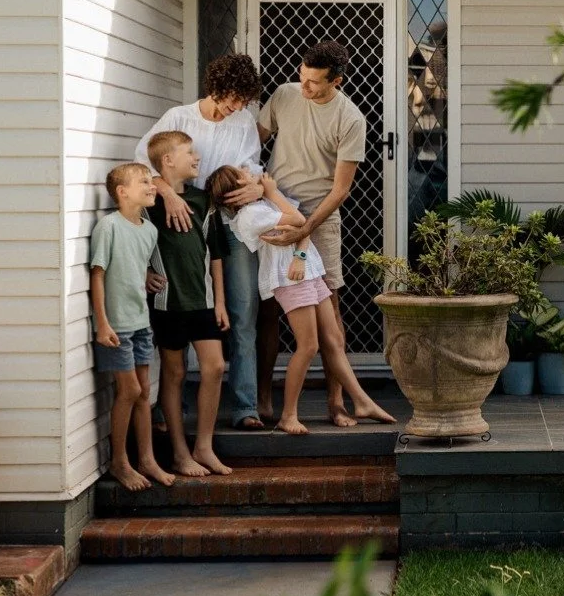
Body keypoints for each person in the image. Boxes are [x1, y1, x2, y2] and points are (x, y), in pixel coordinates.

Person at [257, 39, 395, 428]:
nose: (304, 86)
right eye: (302, 76)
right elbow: (251, 143)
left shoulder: (350, 119)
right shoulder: (284, 95)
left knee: (330, 311)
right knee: (268, 309)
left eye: (314, 82)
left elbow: (341, 190)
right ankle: (263, 399)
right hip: (275, 214)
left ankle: (336, 403)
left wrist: (306, 228)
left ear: (336, 81)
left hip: (320, 219)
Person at [207, 165, 390, 436]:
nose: (250, 171)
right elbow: (298, 218)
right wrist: (271, 191)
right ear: (236, 192)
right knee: (308, 345)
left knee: (333, 340)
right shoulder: (249, 216)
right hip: (290, 279)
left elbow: (304, 227)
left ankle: (362, 402)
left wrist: (301, 254)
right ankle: (288, 415)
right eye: (243, 174)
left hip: (309, 270)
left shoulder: (264, 204)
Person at [136, 54, 265, 429]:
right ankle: (172, 408)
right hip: (185, 223)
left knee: (242, 313)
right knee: (178, 311)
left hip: (232, 222)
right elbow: (144, 162)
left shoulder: (243, 122)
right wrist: (169, 194)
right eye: (233, 98)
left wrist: (256, 187)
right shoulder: (178, 118)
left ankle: (245, 407)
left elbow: (252, 166)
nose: (236, 107)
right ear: (217, 87)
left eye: (243, 101)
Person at [145, 130, 233, 477]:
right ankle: (180, 454)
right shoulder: (149, 202)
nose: (197, 157)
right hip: (168, 302)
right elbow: (133, 239)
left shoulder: (203, 201)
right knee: (175, 373)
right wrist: (143, 274)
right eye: (189, 152)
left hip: (204, 300)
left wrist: (221, 302)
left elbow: (216, 254)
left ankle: (204, 447)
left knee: (215, 367)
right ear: (168, 160)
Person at [89, 162, 175, 493]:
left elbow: (133, 267)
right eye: (144, 182)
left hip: (141, 322)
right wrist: (102, 323)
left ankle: (147, 460)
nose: (152, 186)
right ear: (122, 192)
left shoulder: (149, 230)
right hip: (117, 326)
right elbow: (99, 274)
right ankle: (120, 462)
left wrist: (148, 277)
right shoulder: (108, 227)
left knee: (144, 392)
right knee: (130, 391)